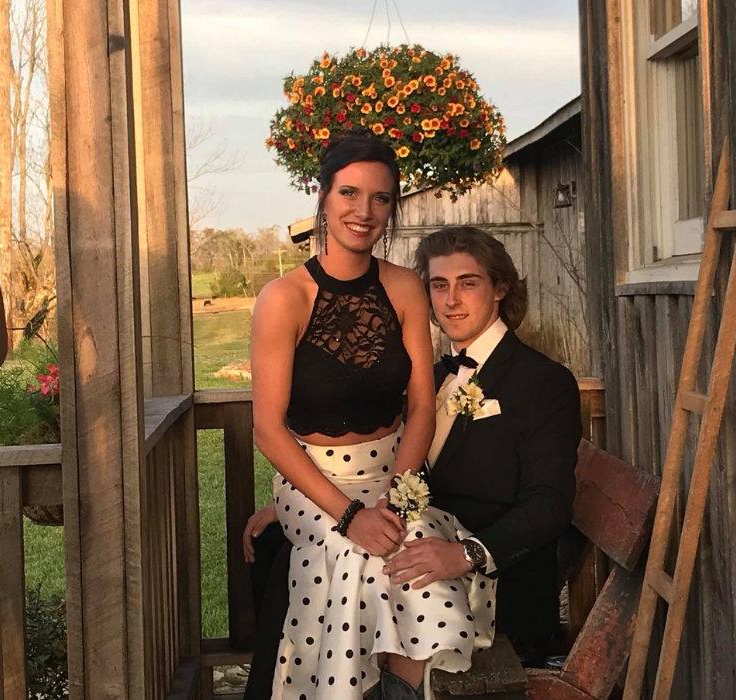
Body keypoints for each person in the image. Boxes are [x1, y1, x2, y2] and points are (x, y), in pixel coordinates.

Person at [245, 132, 493, 700]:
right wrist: (351, 513)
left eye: (381, 198)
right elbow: (267, 429)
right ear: (323, 196)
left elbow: (422, 406)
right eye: (350, 193)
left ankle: (406, 688)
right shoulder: (283, 299)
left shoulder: (405, 287)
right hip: (314, 484)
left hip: (395, 474)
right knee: (357, 555)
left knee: (416, 555)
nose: (364, 211)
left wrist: (397, 499)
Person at [397, 226, 579, 664]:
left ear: (499, 288)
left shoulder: (543, 382)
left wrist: (465, 555)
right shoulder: (434, 378)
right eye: (439, 285)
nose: (451, 300)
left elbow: (550, 505)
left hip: (500, 588)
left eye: (467, 283)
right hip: (425, 560)